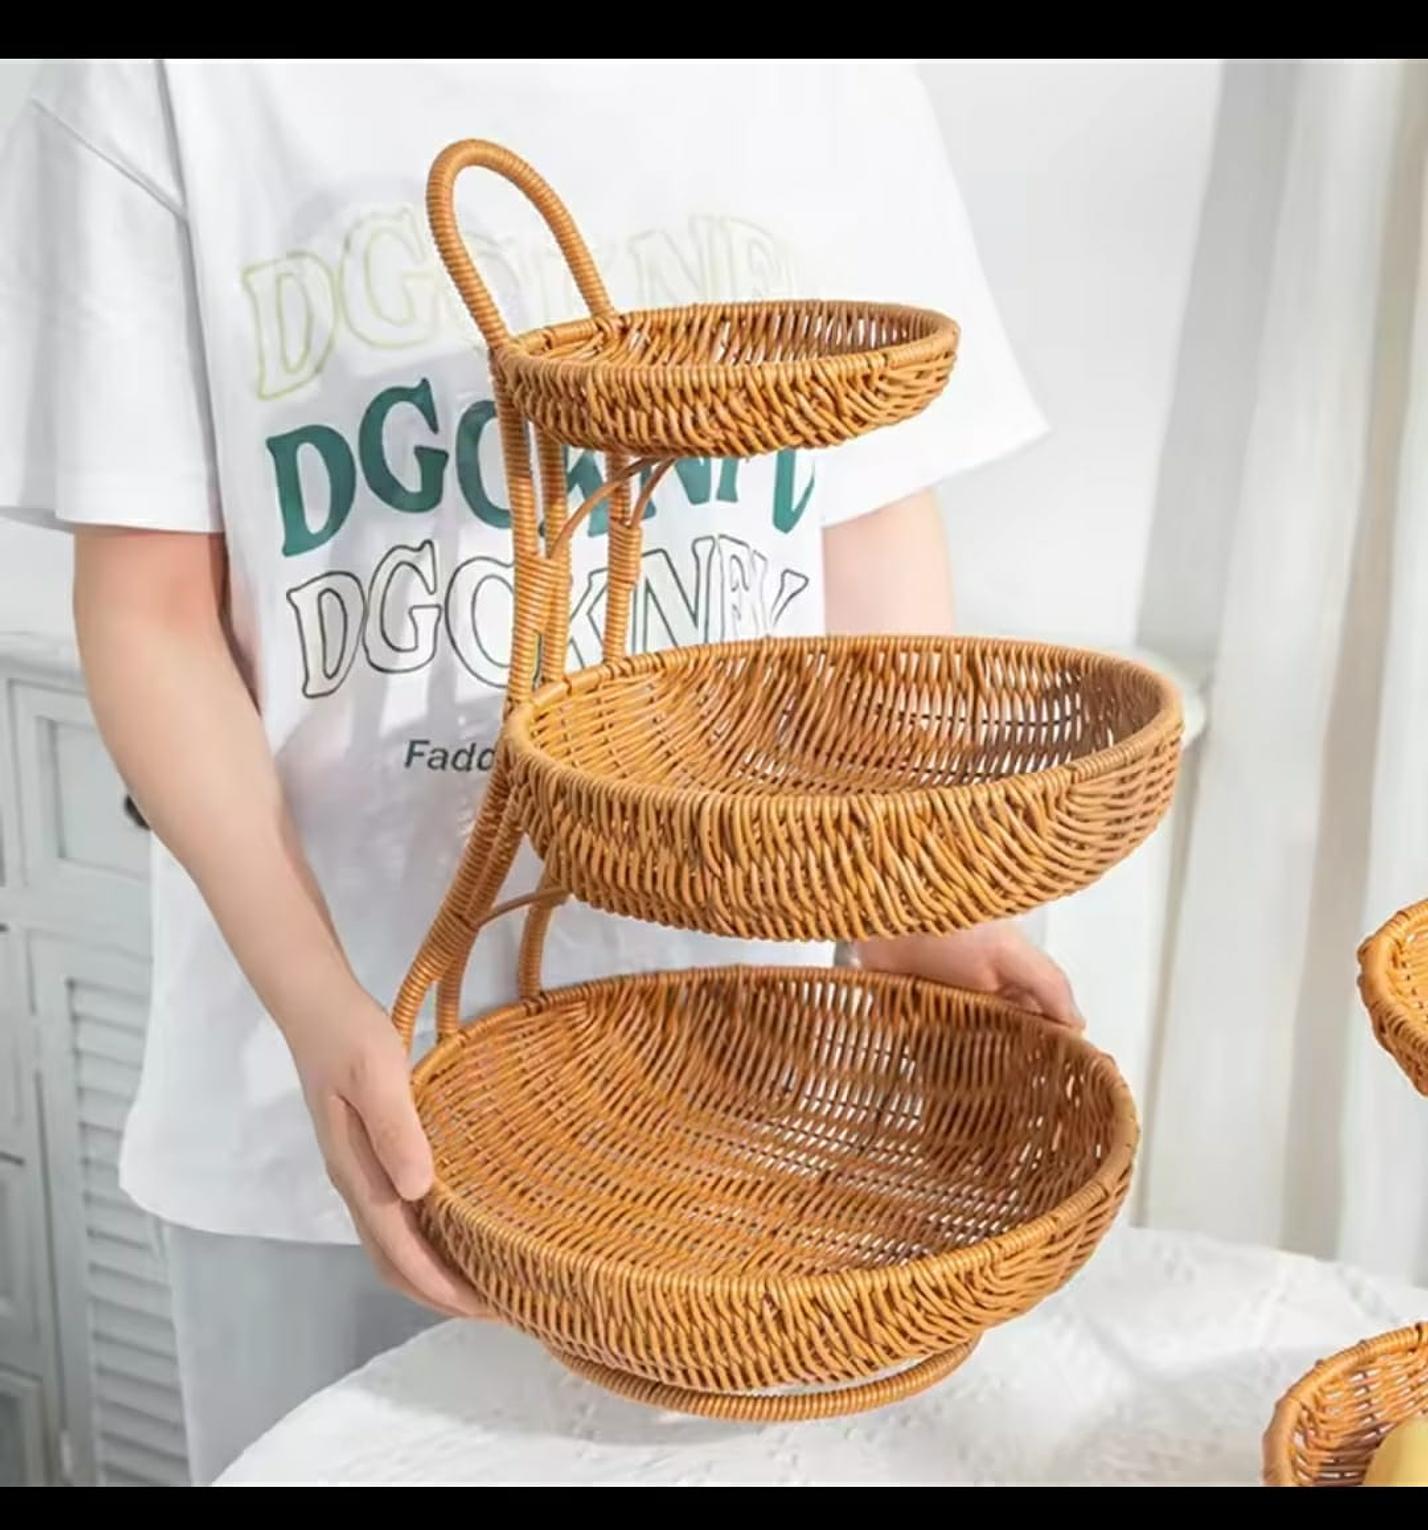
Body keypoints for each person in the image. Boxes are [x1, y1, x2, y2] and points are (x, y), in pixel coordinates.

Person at [0, 58, 1079, 1482]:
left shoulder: (835, 84)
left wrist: (906, 902)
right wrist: (319, 1008)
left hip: (738, 1096)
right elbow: (150, 610)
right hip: (326, 1109)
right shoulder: (159, 83)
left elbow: (862, 512)